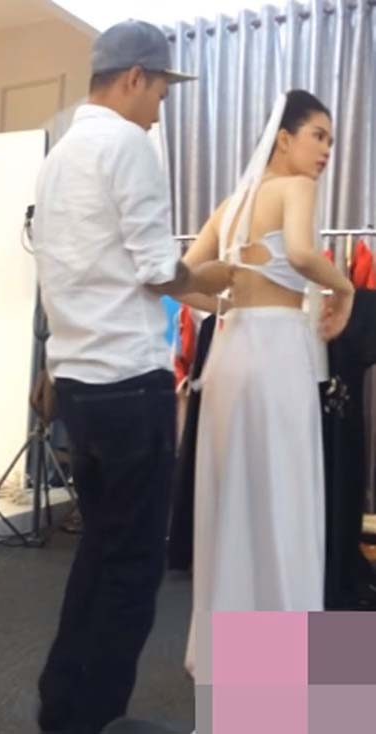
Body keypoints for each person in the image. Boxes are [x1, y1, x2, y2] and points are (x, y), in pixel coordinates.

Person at [32, 19, 233, 734]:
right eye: (159, 94)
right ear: (134, 78)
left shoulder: (62, 152)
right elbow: (155, 269)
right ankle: (94, 720)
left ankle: (64, 706)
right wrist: (218, 280)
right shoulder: (126, 144)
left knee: (100, 554)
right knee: (130, 571)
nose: (160, 111)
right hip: (127, 384)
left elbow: (86, 268)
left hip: (81, 385)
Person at [180, 90, 354, 676]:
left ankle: (229, 657)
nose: (326, 151)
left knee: (234, 498)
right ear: (284, 138)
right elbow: (302, 254)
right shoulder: (296, 188)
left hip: (230, 352)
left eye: (331, 140)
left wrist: (229, 302)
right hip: (277, 351)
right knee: (283, 497)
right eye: (318, 136)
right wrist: (344, 288)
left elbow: (179, 280)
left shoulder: (230, 205)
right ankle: (285, 665)